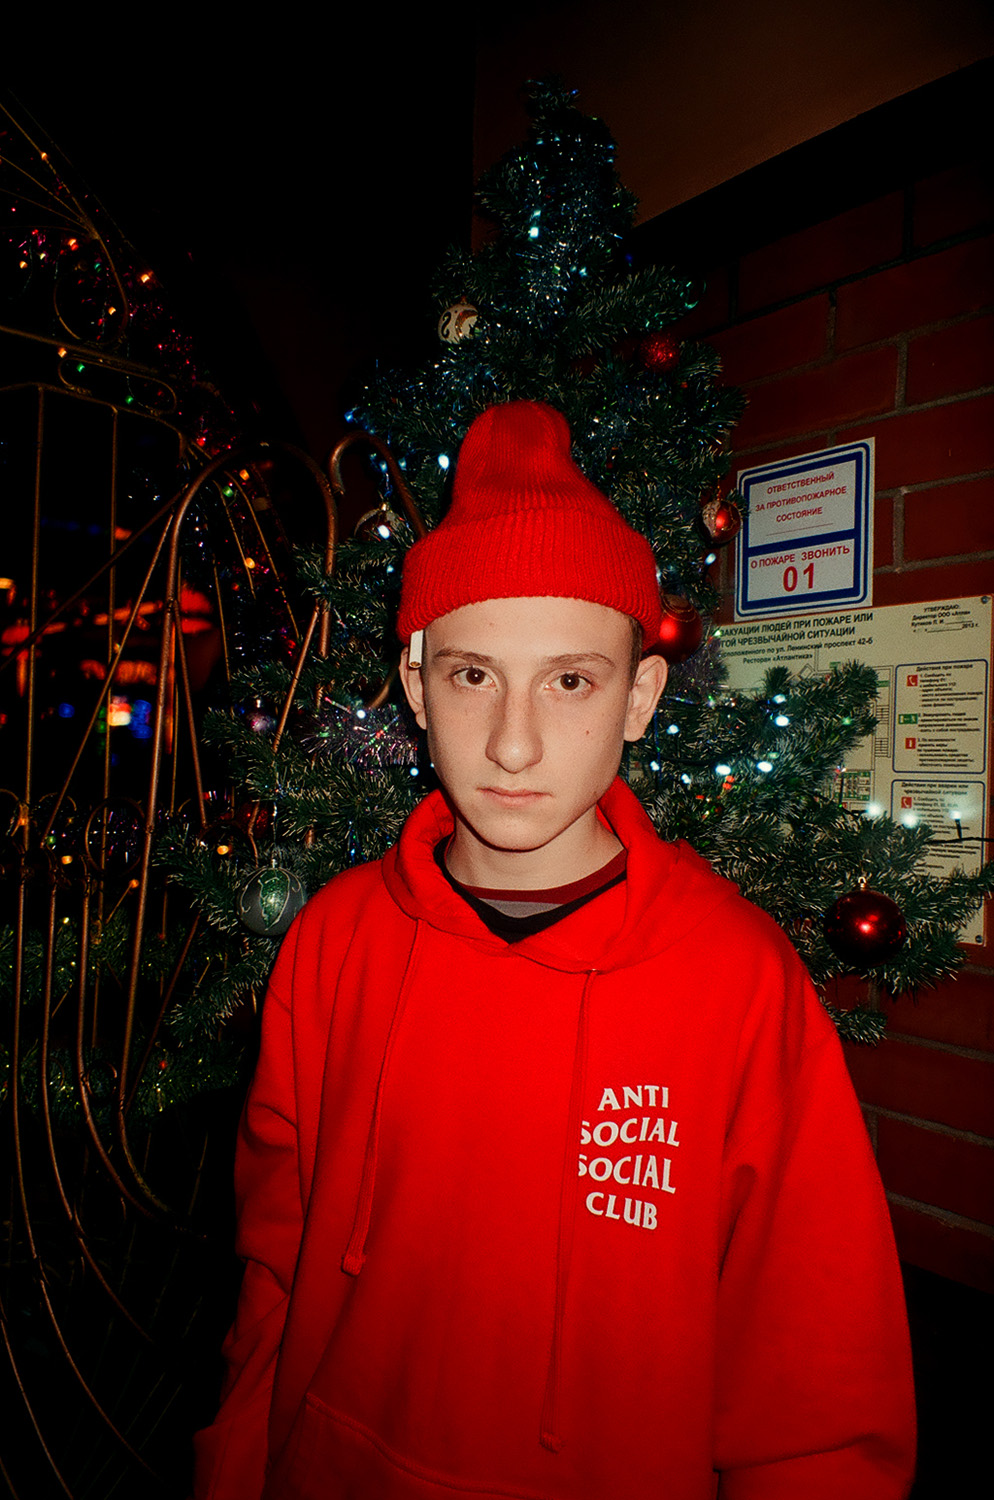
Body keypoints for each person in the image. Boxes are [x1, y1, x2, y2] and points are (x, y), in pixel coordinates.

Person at [193, 401, 916, 1499]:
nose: (514, 743)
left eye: (569, 680)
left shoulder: (737, 978)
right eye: (472, 675)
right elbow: (275, 1271)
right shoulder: (334, 940)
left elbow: (816, 1375)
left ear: (639, 696)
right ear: (415, 687)